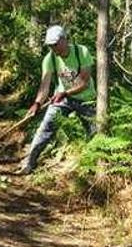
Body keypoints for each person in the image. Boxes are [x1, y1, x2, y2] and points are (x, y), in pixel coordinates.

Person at [18, 24, 96, 175]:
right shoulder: (49, 59)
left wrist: (65, 93)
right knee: (45, 128)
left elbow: (84, 82)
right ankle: (29, 163)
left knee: (94, 132)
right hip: (62, 99)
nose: (54, 49)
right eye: (50, 46)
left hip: (86, 99)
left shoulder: (82, 52)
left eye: (55, 44)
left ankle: (91, 169)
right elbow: (44, 85)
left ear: (64, 40)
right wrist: (37, 103)